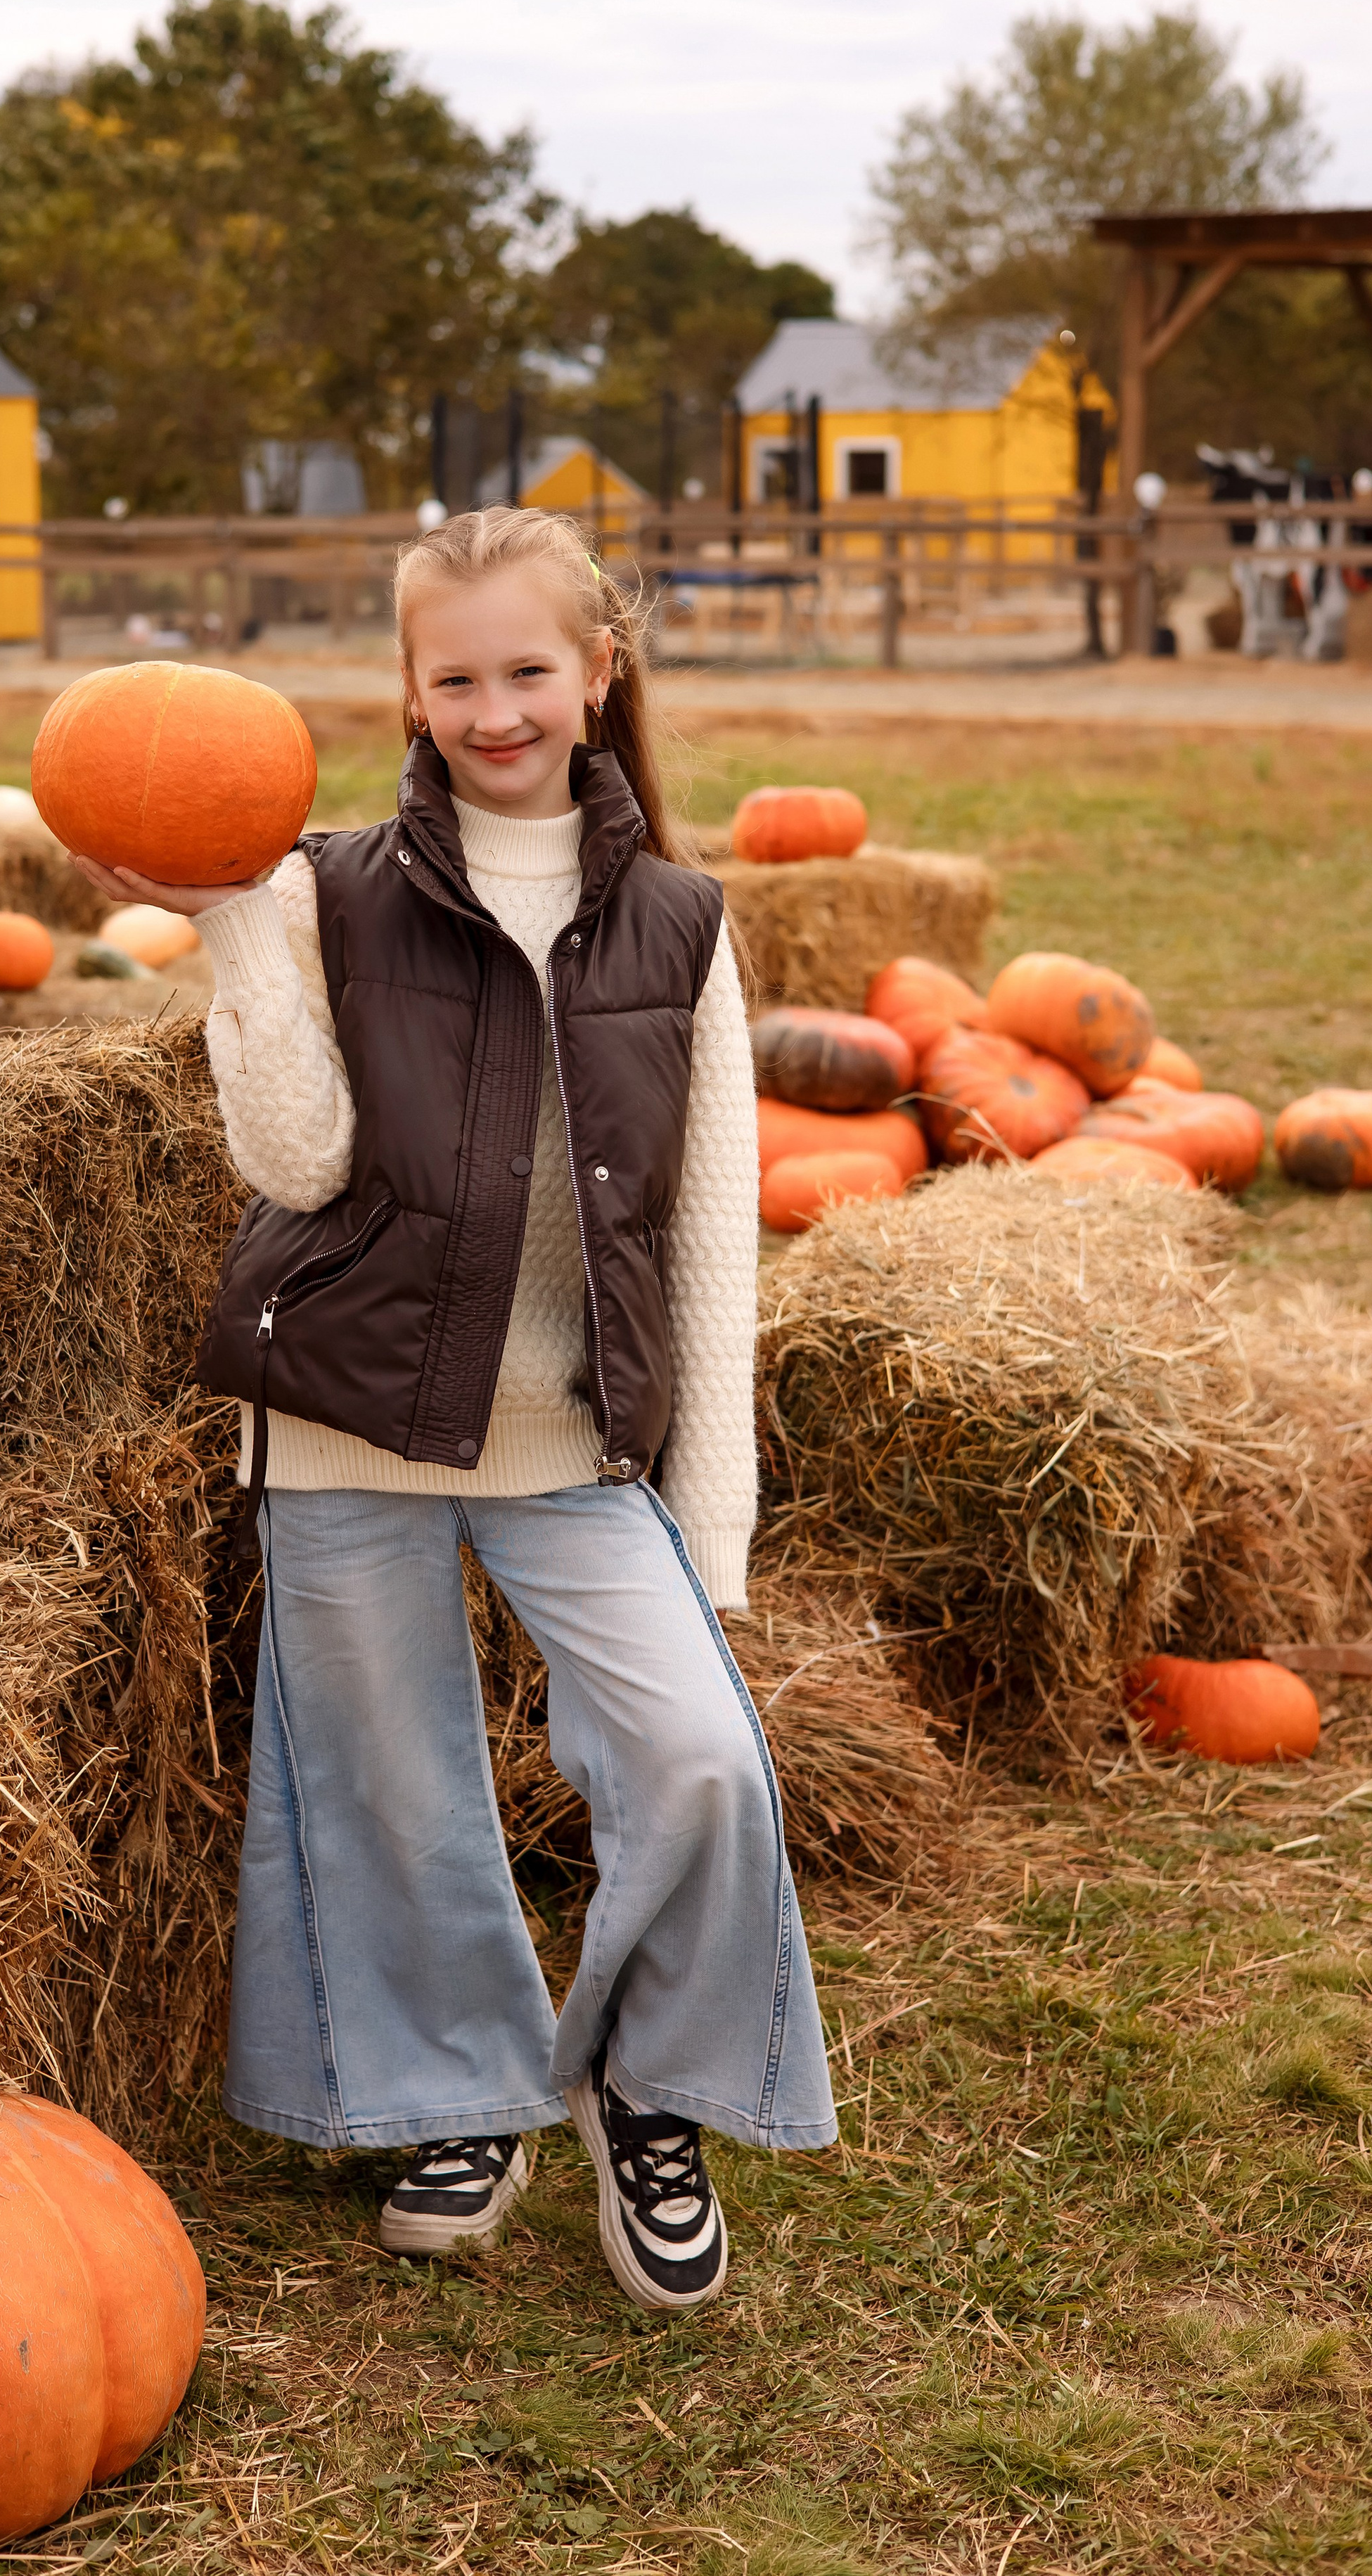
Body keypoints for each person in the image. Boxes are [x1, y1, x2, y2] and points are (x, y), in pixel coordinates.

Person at [73, 506, 835, 2312]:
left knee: (700, 1761)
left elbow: (709, 1244)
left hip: (574, 1443)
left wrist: (708, 1538)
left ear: (596, 674)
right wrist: (240, 944)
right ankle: (453, 2088)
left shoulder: (678, 924)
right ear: (407, 696)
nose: (493, 709)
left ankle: (646, 2092)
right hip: (345, 1423)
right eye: (453, 676)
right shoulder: (325, 889)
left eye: (525, 669)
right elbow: (296, 1158)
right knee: (398, 1790)